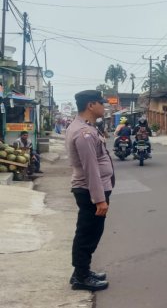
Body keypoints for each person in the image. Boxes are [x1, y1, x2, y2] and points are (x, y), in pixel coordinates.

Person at [65, 90, 114, 292]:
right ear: (91, 106)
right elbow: (91, 168)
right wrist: (99, 199)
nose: (105, 107)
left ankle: (82, 271)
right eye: (102, 103)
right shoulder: (84, 133)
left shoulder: (86, 127)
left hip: (92, 190)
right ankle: (81, 277)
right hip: (90, 191)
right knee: (87, 233)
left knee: (92, 231)